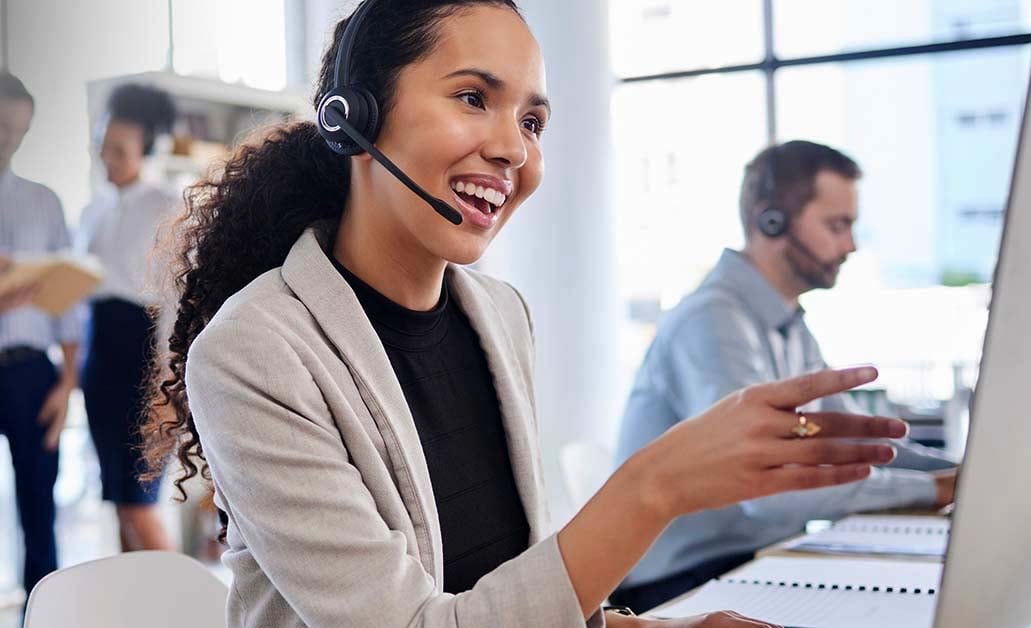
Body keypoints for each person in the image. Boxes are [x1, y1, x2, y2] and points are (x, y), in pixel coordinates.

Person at [142, 3, 910, 627]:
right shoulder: (254, 351)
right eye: (474, 98)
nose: (513, 149)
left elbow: (501, 588)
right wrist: (654, 488)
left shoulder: (498, 315)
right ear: (355, 118)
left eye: (533, 121)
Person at [611, 141, 959, 613]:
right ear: (770, 221)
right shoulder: (712, 322)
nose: (851, 245)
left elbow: (857, 443)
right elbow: (766, 489)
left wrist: (962, 473)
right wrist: (933, 491)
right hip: (683, 584)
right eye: (837, 226)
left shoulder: (790, 324)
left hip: (754, 561)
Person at [77, 83, 179, 552]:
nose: (108, 158)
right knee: (118, 502)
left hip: (142, 360)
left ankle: (186, 611)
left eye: (120, 150)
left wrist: (165, 384)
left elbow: (173, 300)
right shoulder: (93, 208)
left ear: (147, 148)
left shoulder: (165, 204)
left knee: (140, 503)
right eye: (103, 146)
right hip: (99, 358)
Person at [0, 72, 85, 596]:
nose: (9, 138)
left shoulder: (45, 202)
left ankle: (41, 609)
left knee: (39, 509)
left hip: (34, 371)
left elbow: (66, 304)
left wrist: (66, 382)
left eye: (18, 130)